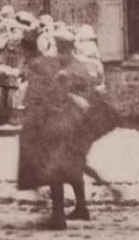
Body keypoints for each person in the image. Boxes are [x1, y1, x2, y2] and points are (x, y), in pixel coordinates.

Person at [17, 29, 119, 229]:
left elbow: (42, 97)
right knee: (73, 166)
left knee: (57, 169)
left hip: (62, 122)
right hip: (76, 122)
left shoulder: (45, 66)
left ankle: (58, 217)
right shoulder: (66, 64)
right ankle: (81, 207)